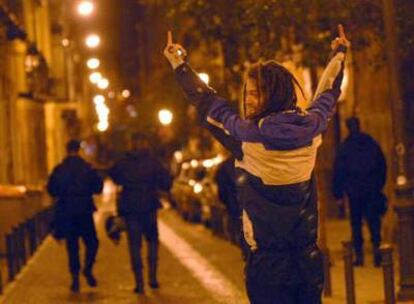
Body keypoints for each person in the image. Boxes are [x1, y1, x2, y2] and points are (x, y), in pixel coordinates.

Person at [164, 25, 349, 303]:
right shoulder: (311, 130)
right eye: (248, 93)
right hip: (307, 262)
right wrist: (339, 55)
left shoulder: (247, 139)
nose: (248, 100)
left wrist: (179, 65)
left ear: (273, 95)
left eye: (256, 93)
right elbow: (327, 96)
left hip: (268, 265)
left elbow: (208, 104)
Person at [109, 133, 172, 294]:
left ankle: (139, 283)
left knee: (134, 246)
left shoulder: (124, 162)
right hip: (149, 207)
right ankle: (152, 278)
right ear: (144, 143)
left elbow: (114, 175)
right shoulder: (152, 161)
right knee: (152, 242)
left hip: (130, 209)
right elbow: (166, 181)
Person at [47, 140, 103, 292]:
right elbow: (98, 187)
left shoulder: (59, 169)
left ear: (67, 150)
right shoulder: (86, 168)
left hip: (66, 211)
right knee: (92, 242)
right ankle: (88, 268)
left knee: (72, 246)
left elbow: (51, 189)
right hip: (84, 210)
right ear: (79, 150)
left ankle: (75, 278)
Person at [333, 117, 387, 267]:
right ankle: (377, 255)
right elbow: (381, 165)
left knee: (356, 225)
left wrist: (338, 193)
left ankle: (359, 257)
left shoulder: (345, 147)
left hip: (354, 193)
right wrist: (378, 185)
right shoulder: (370, 143)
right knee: (374, 223)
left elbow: (339, 171)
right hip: (371, 191)